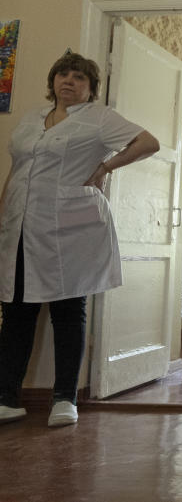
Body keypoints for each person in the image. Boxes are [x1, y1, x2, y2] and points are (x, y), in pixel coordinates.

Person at [0, 51, 159, 427]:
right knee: (16, 311)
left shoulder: (99, 118)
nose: (68, 82)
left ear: (90, 88)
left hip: (72, 228)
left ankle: (64, 398)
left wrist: (105, 166)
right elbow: (17, 170)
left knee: (68, 311)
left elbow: (147, 142)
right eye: (63, 75)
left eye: (79, 78)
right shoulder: (30, 120)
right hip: (20, 226)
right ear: (53, 80)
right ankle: (7, 397)